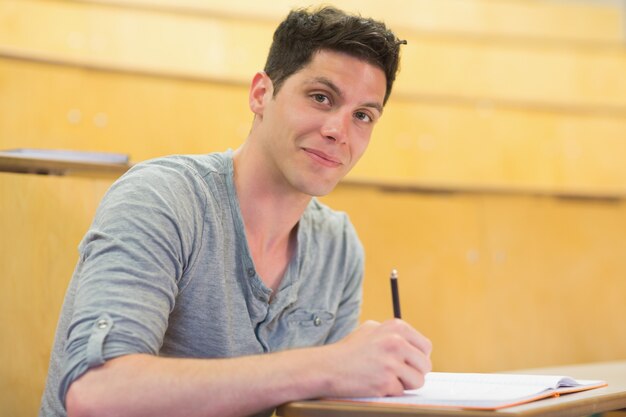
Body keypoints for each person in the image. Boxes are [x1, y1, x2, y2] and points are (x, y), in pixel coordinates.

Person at [39, 6, 432, 417]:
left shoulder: (338, 247)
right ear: (261, 93)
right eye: (321, 97)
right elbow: (96, 393)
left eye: (363, 116)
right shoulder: (163, 197)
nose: (339, 131)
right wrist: (326, 366)